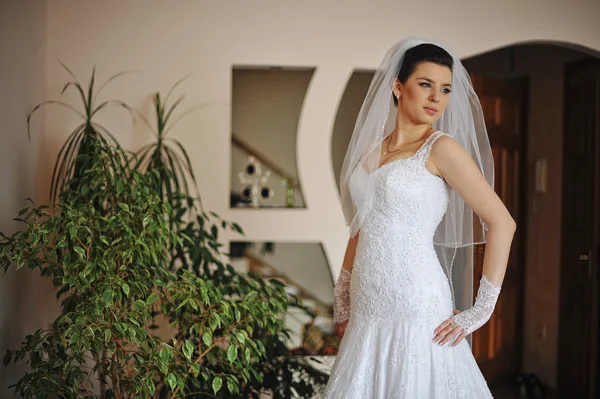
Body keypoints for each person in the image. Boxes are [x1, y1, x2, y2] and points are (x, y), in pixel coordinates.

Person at [322, 37, 516, 398]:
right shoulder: (370, 150)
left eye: (444, 90)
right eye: (425, 84)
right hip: (367, 305)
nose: (435, 99)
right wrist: (343, 294)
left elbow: (503, 223)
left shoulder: (442, 148)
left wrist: (480, 311)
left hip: (416, 301)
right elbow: (361, 227)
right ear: (398, 87)